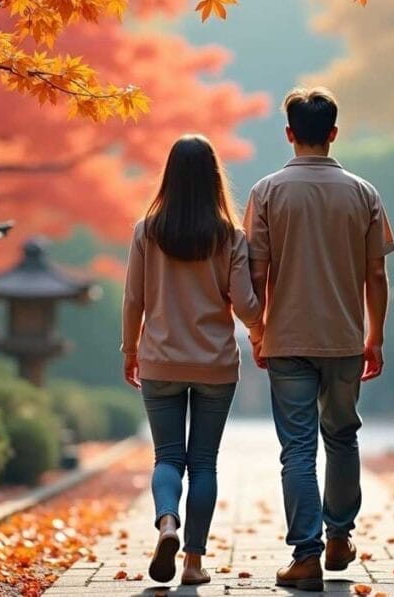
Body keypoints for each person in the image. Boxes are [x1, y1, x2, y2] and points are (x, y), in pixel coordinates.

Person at [244, 87, 394, 592]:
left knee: (298, 449)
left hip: (287, 338)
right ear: (333, 133)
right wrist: (375, 336)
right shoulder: (363, 193)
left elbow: (257, 274)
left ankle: (305, 554)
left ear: (289, 134)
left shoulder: (266, 192)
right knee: (342, 435)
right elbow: (377, 274)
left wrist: (259, 330)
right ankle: (339, 534)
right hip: (345, 338)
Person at [121, 134, 264, 586]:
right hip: (215, 365)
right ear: (214, 178)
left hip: (160, 360)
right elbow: (244, 306)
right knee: (204, 463)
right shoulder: (230, 237)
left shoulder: (147, 230)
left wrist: (130, 351)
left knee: (167, 458)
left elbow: (133, 300)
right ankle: (194, 562)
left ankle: (167, 522)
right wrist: (262, 323)